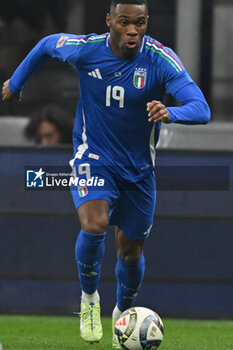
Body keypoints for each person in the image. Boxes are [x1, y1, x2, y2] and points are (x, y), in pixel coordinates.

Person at [2, 0, 210, 347]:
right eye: (125, 22)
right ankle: (88, 300)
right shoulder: (86, 50)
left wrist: (171, 112)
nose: (133, 31)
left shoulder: (160, 59)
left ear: (147, 22)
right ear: (109, 20)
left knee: (130, 252)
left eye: (140, 23)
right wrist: (17, 81)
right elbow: (46, 44)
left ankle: (122, 315)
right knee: (94, 223)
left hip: (139, 170)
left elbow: (200, 108)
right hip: (94, 156)